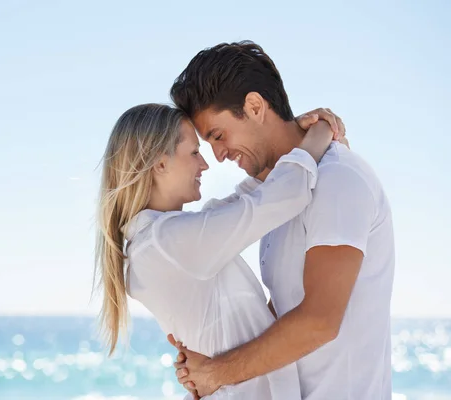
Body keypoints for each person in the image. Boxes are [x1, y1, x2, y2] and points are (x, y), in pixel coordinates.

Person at [169, 41, 395, 400]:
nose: (218, 155)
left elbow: (319, 321)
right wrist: (210, 354)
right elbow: (282, 314)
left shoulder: (338, 179)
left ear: (255, 106)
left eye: (218, 135)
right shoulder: (277, 197)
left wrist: (217, 373)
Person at [95, 102, 345, 399]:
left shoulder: (159, 241)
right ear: (159, 164)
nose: (205, 164)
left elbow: (248, 198)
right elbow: (285, 194)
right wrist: (321, 130)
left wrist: (292, 143)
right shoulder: (168, 241)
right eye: (194, 152)